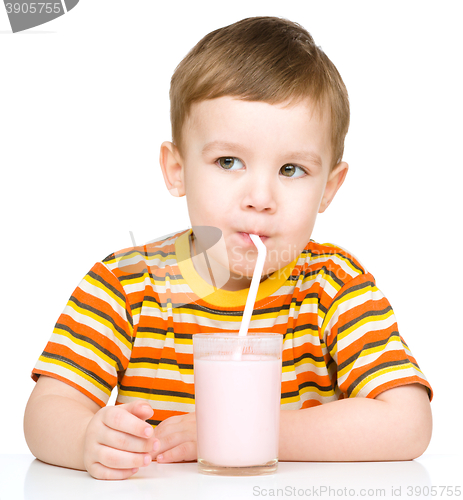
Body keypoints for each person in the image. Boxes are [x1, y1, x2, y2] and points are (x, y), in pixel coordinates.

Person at [24, 16, 433, 480]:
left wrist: (246, 431)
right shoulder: (127, 285)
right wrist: (84, 440)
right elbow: (46, 411)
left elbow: (409, 422)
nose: (260, 198)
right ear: (176, 169)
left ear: (329, 187)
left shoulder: (333, 286)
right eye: (228, 161)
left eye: (292, 169)